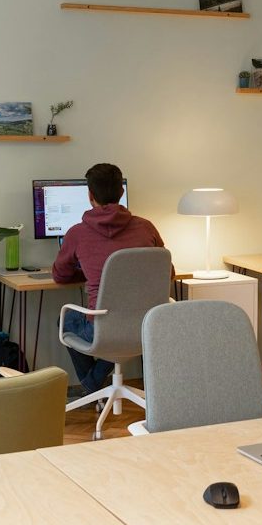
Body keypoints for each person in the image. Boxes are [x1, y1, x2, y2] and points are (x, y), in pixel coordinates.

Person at [51, 163, 165, 395]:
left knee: (66, 320)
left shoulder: (77, 233)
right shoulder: (146, 228)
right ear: (121, 193)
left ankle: (91, 385)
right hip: (147, 327)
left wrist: (86, 270)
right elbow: (166, 271)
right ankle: (95, 382)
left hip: (101, 331)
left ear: (90, 196)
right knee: (121, 335)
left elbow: (60, 275)